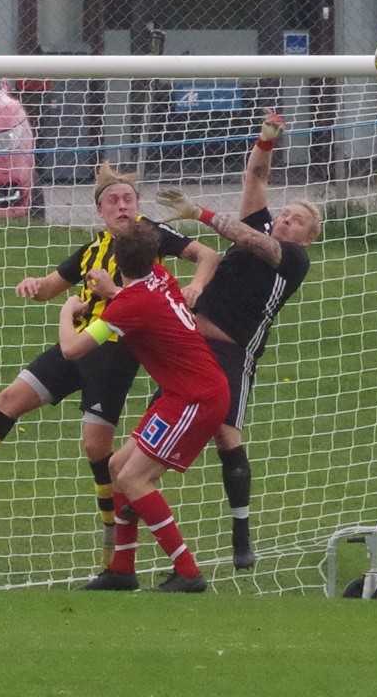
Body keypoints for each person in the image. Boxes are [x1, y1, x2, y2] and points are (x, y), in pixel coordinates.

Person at [0, 162, 219, 570]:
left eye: (128, 199)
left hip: (112, 353)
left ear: (138, 205)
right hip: (77, 342)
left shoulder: (148, 237)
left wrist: (196, 284)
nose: (122, 206)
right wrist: (33, 287)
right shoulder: (92, 249)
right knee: (10, 398)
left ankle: (111, 542)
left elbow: (206, 254)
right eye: (113, 201)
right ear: (100, 211)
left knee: (96, 448)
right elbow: (53, 287)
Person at [156, 110, 321, 569]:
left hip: (232, 352)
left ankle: (241, 534)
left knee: (226, 434)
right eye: (285, 213)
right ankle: (134, 499)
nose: (286, 220)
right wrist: (266, 139)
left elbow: (256, 242)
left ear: (308, 238)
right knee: (159, 420)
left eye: (298, 220)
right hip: (188, 341)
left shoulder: (291, 259)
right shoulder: (262, 225)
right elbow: (255, 177)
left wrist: (201, 214)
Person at [59, 220, 229, 592]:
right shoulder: (161, 278)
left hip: (195, 399)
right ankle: (122, 569)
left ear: (117, 261)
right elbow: (137, 300)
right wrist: (113, 290)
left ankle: (188, 573)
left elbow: (72, 350)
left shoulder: (128, 307)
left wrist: (67, 311)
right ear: (154, 258)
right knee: (119, 466)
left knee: (134, 479)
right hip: (185, 392)